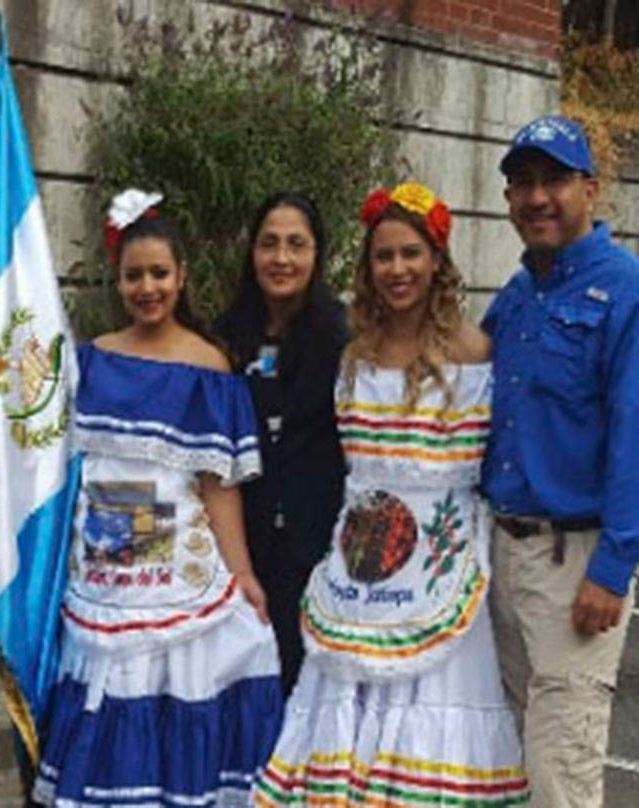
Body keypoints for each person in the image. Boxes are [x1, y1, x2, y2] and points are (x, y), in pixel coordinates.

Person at [253, 182, 530, 805]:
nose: (397, 269)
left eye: (411, 254)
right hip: (357, 569)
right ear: (367, 266)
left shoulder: (475, 350)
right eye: (384, 257)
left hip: (440, 565)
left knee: (427, 733)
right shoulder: (352, 355)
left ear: (437, 260)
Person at [32, 195, 281, 807]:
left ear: (182, 277)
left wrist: (243, 572)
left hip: (178, 576)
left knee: (175, 695)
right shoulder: (89, 360)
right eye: (134, 275)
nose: (148, 287)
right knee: (109, 693)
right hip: (103, 575)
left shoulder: (209, 365)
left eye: (159, 274)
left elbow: (217, 485)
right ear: (117, 279)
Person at [482, 115, 639, 807]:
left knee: (559, 776)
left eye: (554, 181)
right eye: (522, 184)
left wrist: (614, 568)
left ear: (590, 189)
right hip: (501, 556)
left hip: (577, 564)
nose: (537, 198)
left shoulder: (636, 299)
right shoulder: (517, 297)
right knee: (507, 762)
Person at [216, 192, 348, 695]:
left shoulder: (342, 338)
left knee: (301, 686)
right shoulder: (225, 338)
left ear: (318, 254)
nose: (282, 258)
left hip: (313, 552)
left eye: (297, 244)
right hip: (239, 548)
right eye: (269, 244)